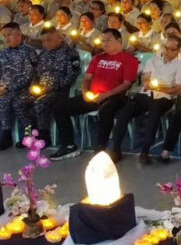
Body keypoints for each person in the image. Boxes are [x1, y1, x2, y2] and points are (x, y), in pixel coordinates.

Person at [50, 29, 139, 160]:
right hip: (93, 95)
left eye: (108, 40)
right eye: (103, 41)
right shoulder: (98, 58)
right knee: (60, 108)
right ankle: (68, 145)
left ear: (119, 41)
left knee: (106, 110)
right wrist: (85, 92)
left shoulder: (129, 59)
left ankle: (101, 148)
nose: (104, 44)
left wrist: (106, 95)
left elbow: (127, 84)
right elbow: (87, 78)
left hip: (115, 96)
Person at [106, 34, 181, 163]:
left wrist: (160, 88)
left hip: (164, 98)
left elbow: (177, 89)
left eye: (172, 49)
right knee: (124, 112)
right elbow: (145, 78)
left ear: (178, 51)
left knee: (153, 114)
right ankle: (116, 149)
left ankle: (145, 151)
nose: (168, 51)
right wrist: (148, 83)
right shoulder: (153, 61)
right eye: (166, 48)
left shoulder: (180, 67)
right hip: (146, 94)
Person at [23, 26, 80, 142]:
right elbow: (37, 74)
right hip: (42, 89)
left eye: (49, 40)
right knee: (22, 101)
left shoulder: (70, 53)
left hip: (59, 91)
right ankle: (30, 133)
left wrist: (52, 87)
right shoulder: (43, 54)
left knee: (40, 103)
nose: (46, 43)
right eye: (43, 41)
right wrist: (34, 85)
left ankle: (44, 135)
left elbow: (72, 75)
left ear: (59, 38)